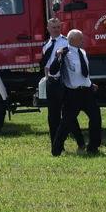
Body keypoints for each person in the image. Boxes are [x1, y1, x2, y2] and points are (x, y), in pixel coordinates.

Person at [49, 30, 100, 156]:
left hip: (87, 91)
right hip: (73, 94)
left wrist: (89, 83)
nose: (83, 41)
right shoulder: (64, 53)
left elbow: (83, 71)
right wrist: (58, 56)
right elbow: (53, 70)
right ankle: (56, 149)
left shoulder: (83, 52)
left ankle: (93, 147)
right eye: (80, 39)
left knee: (96, 119)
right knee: (66, 122)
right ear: (72, 40)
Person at [40, 19, 77, 150]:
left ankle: (80, 141)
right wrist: (47, 78)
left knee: (68, 114)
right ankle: (56, 145)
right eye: (53, 27)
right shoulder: (47, 44)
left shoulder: (66, 42)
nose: (56, 29)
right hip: (52, 82)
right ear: (48, 29)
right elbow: (46, 64)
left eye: (58, 27)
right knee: (53, 116)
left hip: (63, 82)